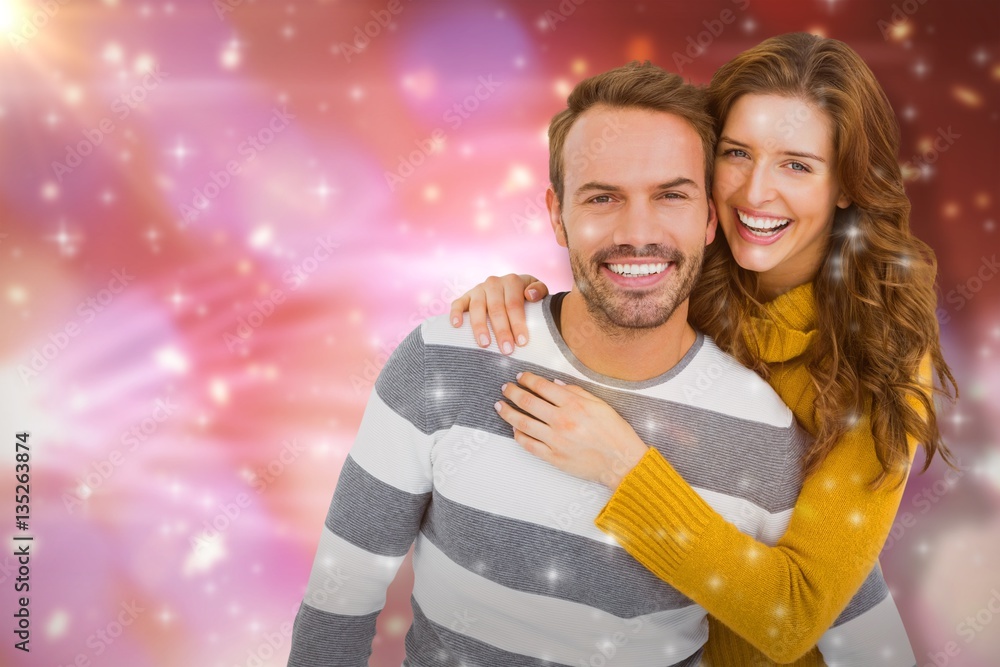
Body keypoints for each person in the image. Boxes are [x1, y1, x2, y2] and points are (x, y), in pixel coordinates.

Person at [287, 60, 910, 667]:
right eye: (603, 196)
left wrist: (626, 467)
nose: (638, 230)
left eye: (670, 195)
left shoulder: (802, 420)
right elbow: (337, 610)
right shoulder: (446, 358)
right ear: (557, 214)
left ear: (706, 218)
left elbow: (839, 628)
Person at [451, 32, 956, 666]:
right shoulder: (688, 263)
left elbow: (791, 614)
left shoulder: (879, 356)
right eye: (738, 154)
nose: (754, 192)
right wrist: (518, 298)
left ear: (846, 185)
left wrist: (623, 469)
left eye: (797, 165)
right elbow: (603, 293)